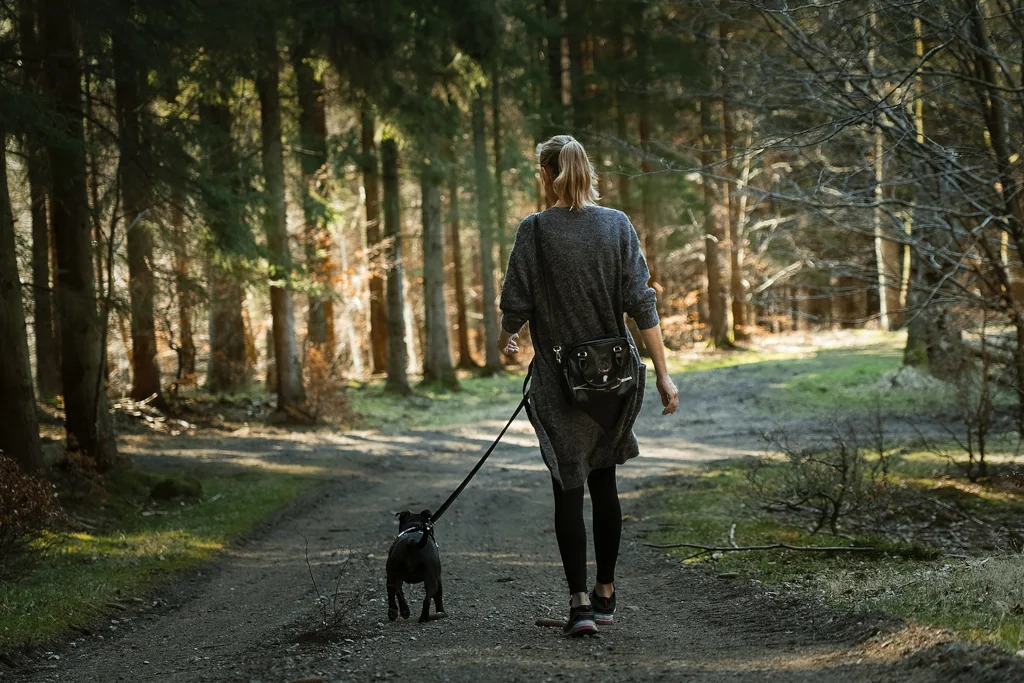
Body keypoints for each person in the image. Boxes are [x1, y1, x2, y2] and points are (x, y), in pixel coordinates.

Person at [497, 134, 680, 637]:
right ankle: (605, 593)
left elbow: (516, 302)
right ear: (585, 172)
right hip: (616, 376)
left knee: (567, 484)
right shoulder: (617, 225)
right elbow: (641, 303)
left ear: (546, 174)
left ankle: (578, 603)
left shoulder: (534, 232)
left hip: (559, 379)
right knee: (605, 482)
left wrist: (507, 340)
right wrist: (663, 372)